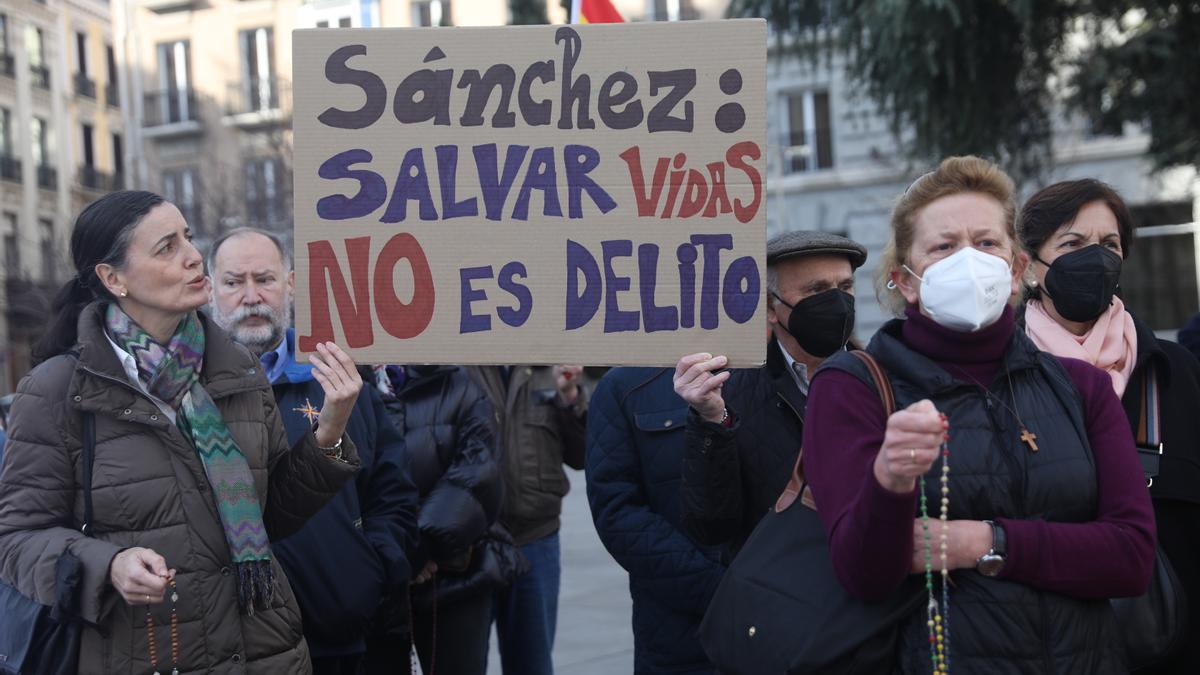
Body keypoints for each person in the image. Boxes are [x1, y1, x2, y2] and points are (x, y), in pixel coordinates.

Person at [801, 157, 1156, 673]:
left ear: (1015, 271)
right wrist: (890, 480)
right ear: (906, 280)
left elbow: (1131, 558)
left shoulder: (1081, 387)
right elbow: (863, 574)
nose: (968, 260)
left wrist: (981, 542)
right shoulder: (853, 388)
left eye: (987, 243)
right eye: (944, 247)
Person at [0, 191, 364, 674]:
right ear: (113, 278)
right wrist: (106, 565)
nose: (195, 256)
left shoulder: (238, 368)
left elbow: (272, 515)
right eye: (167, 247)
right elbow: (17, 539)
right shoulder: (56, 390)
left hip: (266, 654)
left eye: (188, 238)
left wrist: (331, 429)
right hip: (146, 654)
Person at [206, 227, 420, 675]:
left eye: (264, 279)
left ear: (292, 285)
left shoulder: (337, 374)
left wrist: (372, 569)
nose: (251, 296)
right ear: (210, 290)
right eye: (233, 282)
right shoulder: (187, 389)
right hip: (236, 645)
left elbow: (390, 488)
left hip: (342, 631)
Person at [1018, 178, 1200, 673]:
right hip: (1043, 649)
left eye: (1109, 244)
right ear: (1030, 266)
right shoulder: (999, 380)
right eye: (1073, 244)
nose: (1095, 258)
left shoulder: (1175, 371)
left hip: (1168, 649)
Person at [674, 231, 866, 551]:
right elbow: (709, 525)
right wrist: (711, 421)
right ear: (770, 309)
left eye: (845, 287)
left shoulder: (886, 378)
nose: (837, 304)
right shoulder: (730, 394)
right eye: (816, 290)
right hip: (781, 588)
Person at [364, 362, 506, 675]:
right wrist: (392, 553)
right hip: (369, 589)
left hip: (451, 583)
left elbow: (479, 473)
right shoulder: (336, 384)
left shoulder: (459, 382)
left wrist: (419, 545)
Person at [586, 367, 725, 675]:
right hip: (680, 636)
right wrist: (718, 590)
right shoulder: (623, 386)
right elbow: (617, 512)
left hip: (786, 627)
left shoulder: (777, 371)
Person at [469, 364, 588, 675]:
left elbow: (583, 455)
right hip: (470, 545)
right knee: (462, 661)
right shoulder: (459, 363)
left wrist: (571, 397)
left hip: (536, 540)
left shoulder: (551, 366)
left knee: (532, 663)